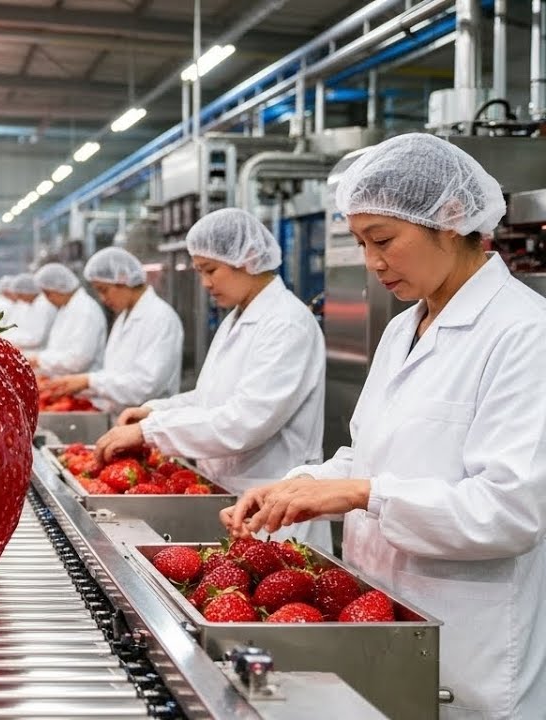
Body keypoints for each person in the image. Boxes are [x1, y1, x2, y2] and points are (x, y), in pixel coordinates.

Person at [221, 133, 546, 719]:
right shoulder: (403, 329)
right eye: (361, 242)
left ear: (451, 219)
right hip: (379, 620)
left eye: (383, 240)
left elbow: (509, 511)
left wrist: (361, 494)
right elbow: (367, 455)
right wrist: (301, 485)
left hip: (468, 650)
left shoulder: (525, 333)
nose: (372, 262)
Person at [95, 208, 329, 549]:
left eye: (210, 270)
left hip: (274, 509)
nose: (205, 283)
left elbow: (244, 422)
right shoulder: (238, 317)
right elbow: (210, 398)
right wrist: (154, 411)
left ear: (247, 258)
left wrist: (149, 432)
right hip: (230, 496)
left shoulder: (287, 324)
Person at [41, 247, 183, 411]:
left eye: (104, 290)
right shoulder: (124, 316)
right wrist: (83, 385)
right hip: (120, 415)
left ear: (123, 279)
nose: (103, 298)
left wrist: (89, 381)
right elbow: (116, 373)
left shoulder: (160, 318)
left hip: (148, 420)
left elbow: (146, 386)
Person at [25, 263, 106, 377]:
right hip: (62, 379)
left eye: (48, 294)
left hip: (81, 387)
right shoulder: (66, 308)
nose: (48, 300)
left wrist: (39, 360)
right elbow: (57, 349)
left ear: (59, 288)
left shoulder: (85, 310)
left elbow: (78, 359)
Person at [1, 272, 56, 350]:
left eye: (21, 294)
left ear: (29, 291)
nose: (19, 298)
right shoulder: (27, 305)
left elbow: (36, 338)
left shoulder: (44, 305)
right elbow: (19, 328)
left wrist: (10, 340)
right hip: (28, 349)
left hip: (40, 351)